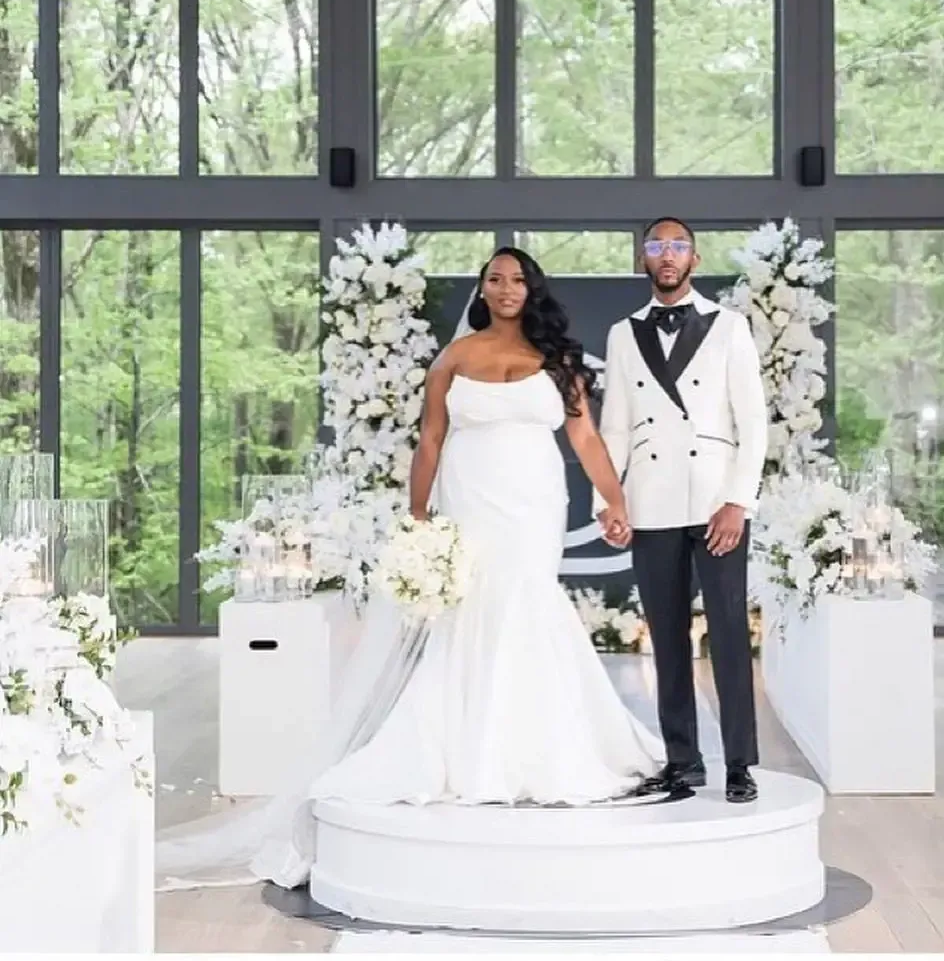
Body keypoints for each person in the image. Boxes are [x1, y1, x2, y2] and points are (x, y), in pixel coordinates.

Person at [305, 246, 662, 808]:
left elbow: (586, 438)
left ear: (532, 289)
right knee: (471, 606)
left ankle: (543, 745)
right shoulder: (452, 359)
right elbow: (429, 441)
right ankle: (463, 747)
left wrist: (614, 500)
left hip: (533, 499)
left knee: (527, 597)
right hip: (469, 496)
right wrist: (418, 519)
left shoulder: (558, 360)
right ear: (483, 289)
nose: (505, 288)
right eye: (494, 279)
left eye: (517, 279)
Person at [593, 217, 769, 803]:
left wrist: (738, 502)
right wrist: (609, 501)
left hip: (716, 500)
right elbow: (613, 425)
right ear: (643, 258)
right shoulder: (623, 333)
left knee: (725, 636)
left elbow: (754, 425)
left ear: (694, 258)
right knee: (664, 640)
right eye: (656, 246)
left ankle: (740, 763)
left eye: (678, 246)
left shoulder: (730, 327)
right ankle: (682, 760)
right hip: (651, 501)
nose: (667, 256)